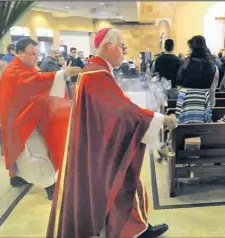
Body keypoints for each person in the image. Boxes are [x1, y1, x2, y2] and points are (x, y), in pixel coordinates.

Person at [46, 28, 175, 238]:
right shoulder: (96, 74)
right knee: (120, 181)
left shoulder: (95, 70)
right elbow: (122, 111)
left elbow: (115, 108)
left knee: (125, 181)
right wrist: (161, 119)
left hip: (99, 142)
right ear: (107, 46)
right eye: (122, 47)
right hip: (100, 146)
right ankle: (135, 230)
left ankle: (138, 228)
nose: (124, 52)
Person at [0, 38, 81, 200]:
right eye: (32, 54)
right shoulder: (14, 71)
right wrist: (63, 74)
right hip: (20, 121)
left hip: (27, 116)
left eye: (37, 54)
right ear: (19, 53)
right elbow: (34, 83)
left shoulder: (26, 67)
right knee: (34, 152)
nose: (36, 57)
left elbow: (36, 85)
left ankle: (17, 177)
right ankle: (51, 187)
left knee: (26, 152)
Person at [176, 35, 219, 123]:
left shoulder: (186, 63)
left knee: (185, 128)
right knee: (203, 130)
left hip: (186, 102)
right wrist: (210, 104)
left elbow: (178, 83)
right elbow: (212, 89)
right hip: (204, 101)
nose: (189, 50)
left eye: (190, 48)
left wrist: (186, 94)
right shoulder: (212, 66)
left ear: (193, 48)